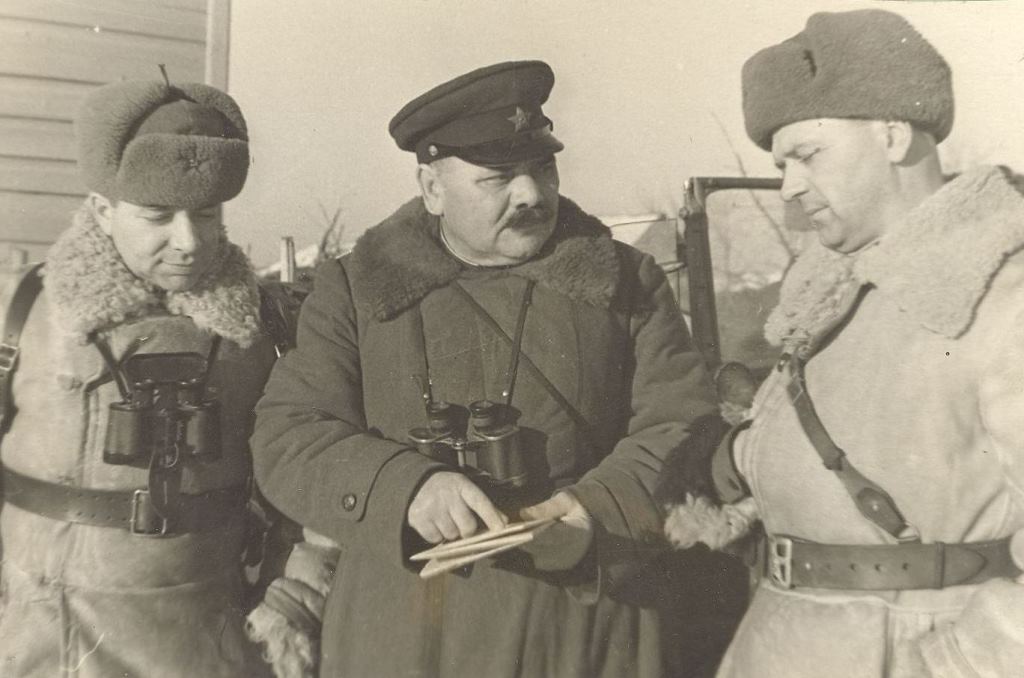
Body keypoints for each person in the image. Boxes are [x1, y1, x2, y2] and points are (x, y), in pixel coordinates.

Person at [251, 60, 721, 678]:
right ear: (432, 188)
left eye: (543, 169)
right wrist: (406, 488)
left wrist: (596, 510)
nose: (531, 195)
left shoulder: (628, 281)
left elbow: (684, 423)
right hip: (406, 631)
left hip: (584, 626)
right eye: (498, 178)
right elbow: (289, 434)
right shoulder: (355, 289)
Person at [665, 9, 1024, 677]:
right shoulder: (827, 302)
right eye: (781, 165)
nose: (790, 187)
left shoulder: (1004, 297)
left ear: (892, 135)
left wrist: (952, 665)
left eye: (808, 155)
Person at [0, 78, 277, 676]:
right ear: (103, 210)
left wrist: (289, 606)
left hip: (202, 640)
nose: (188, 242)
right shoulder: (21, 309)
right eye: (157, 216)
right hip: (35, 634)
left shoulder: (265, 327)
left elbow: (307, 481)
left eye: (206, 214)